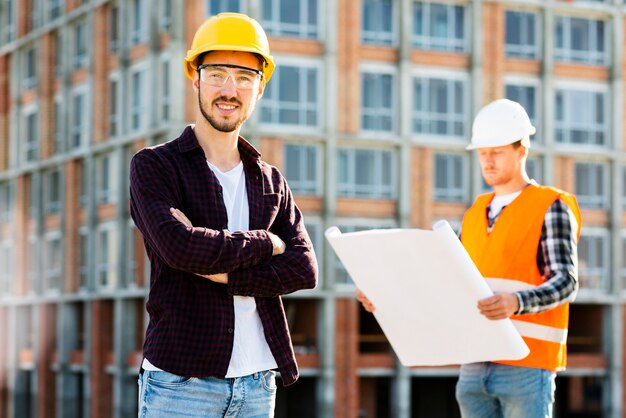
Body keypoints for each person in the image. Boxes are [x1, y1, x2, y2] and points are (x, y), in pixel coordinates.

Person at [129, 12, 318, 418]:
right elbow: (181, 249)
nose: (229, 89)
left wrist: (224, 269)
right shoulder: (155, 166)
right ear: (195, 77)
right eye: (216, 73)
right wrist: (268, 242)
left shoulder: (270, 180)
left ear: (260, 87)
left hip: (257, 384)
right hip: (180, 385)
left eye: (244, 77)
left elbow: (304, 269)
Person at [358, 99, 580, 418]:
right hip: (475, 365)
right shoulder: (475, 213)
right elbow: (447, 283)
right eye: (482, 152)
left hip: (527, 366)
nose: (487, 161)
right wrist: (386, 297)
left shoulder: (550, 205)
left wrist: (516, 301)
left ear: (522, 150)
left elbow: (566, 282)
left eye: (497, 151)